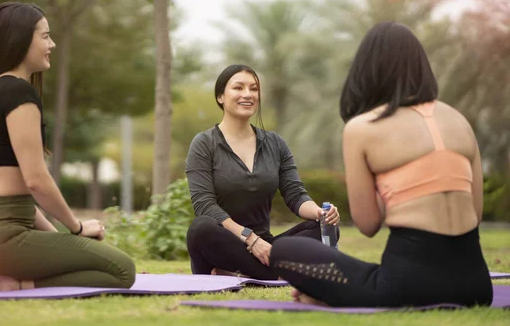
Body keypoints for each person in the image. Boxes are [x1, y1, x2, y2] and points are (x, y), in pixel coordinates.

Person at [270, 22, 493, 307]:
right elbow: (474, 213)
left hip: (407, 287)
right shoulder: (458, 121)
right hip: (476, 287)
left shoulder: (363, 128)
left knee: (284, 250)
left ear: (367, 71)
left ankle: (328, 295)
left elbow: (368, 224)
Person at [0, 2, 135, 292]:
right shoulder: (19, 92)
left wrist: (68, 237)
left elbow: (19, 195)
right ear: (20, 39)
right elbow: (36, 181)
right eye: (45, 36)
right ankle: (15, 283)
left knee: (86, 255)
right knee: (123, 270)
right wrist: (78, 227)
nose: (52, 44)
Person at [185, 64, 340, 280]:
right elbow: (204, 205)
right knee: (201, 228)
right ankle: (274, 273)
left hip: (267, 248)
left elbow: (295, 194)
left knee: (323, 229)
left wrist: (320, 214)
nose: (247, 94)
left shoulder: (275, 144)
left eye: (254, 89)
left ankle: (244, 273)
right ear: (220, 96)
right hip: (222, 243)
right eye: (238, 88)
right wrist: (250, 238)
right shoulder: (204, 143)